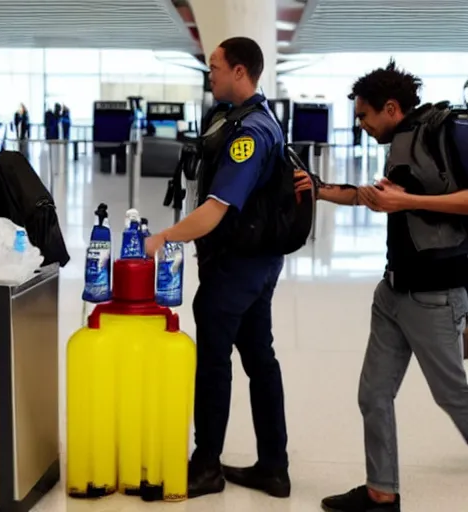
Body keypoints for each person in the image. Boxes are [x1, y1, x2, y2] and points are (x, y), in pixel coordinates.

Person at [145, 37, 303, 499]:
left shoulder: (250, 134)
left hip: (238, 267)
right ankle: (274, 466)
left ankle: (207, 465)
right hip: (256, 264)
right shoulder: (242, 117)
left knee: (214, 362)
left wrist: (162, 238)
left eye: (214, 66)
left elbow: (215, 210)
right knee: (259, 359)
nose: (208, 74)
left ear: (239, 71)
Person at [311, 61, 468, 512]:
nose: (360, 125)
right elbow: (381, 197)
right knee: (373, 394)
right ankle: (382, 492)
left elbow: (411, 202)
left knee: (453, 396)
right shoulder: (405, 142)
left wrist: (408, 201)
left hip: (434, 297)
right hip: (393, 292)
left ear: (391, 108)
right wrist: (319, 190)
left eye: (364, 116)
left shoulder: (442, 134)